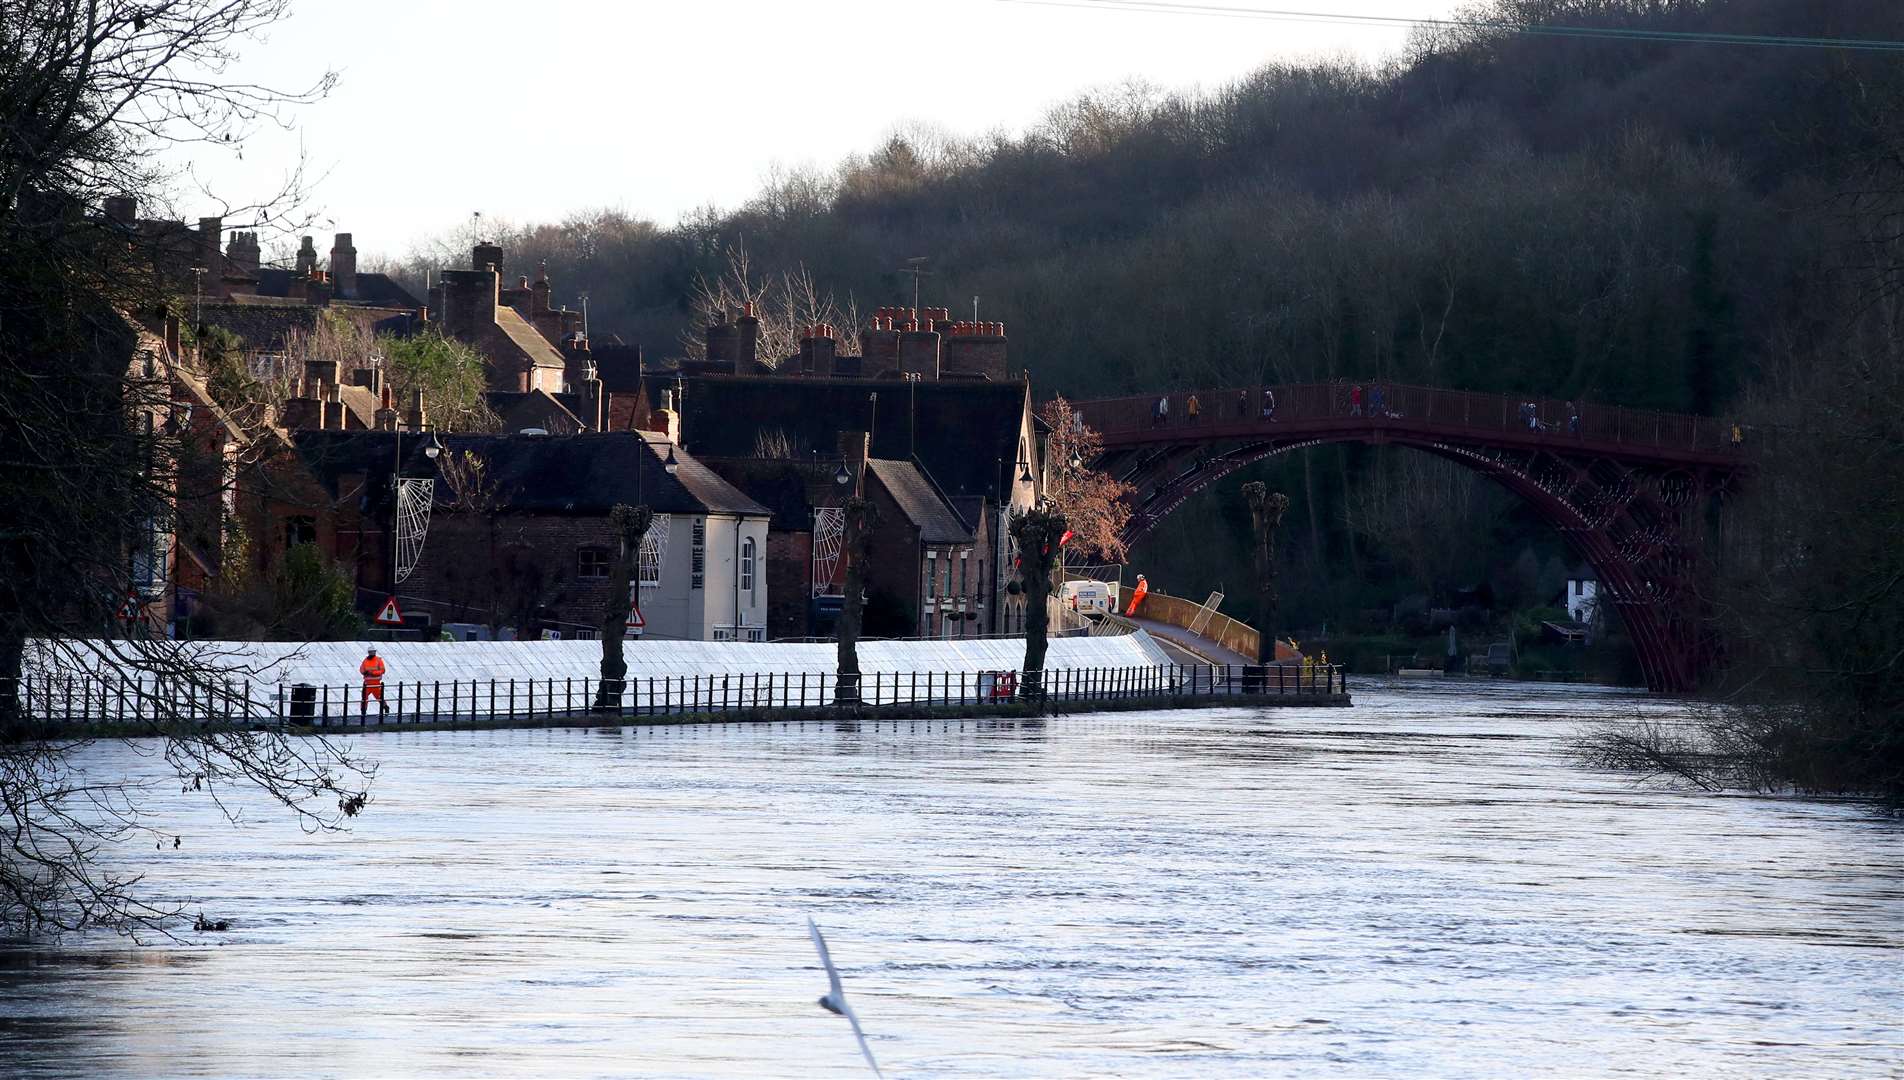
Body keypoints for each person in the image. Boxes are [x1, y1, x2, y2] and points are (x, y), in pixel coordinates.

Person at [359, 646, 388, 717]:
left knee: (379, 697)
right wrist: (364, 672)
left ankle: (386, 708)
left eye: (373, 651)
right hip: (367, 683)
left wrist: (373, 673)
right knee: (364, 698)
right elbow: (361, 669)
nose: (372, 653)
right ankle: (363, 712)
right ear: (369, 652)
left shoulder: (378, 660)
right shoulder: (365, 660)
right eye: (371, 652)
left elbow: (383, 670)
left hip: (376, 683)